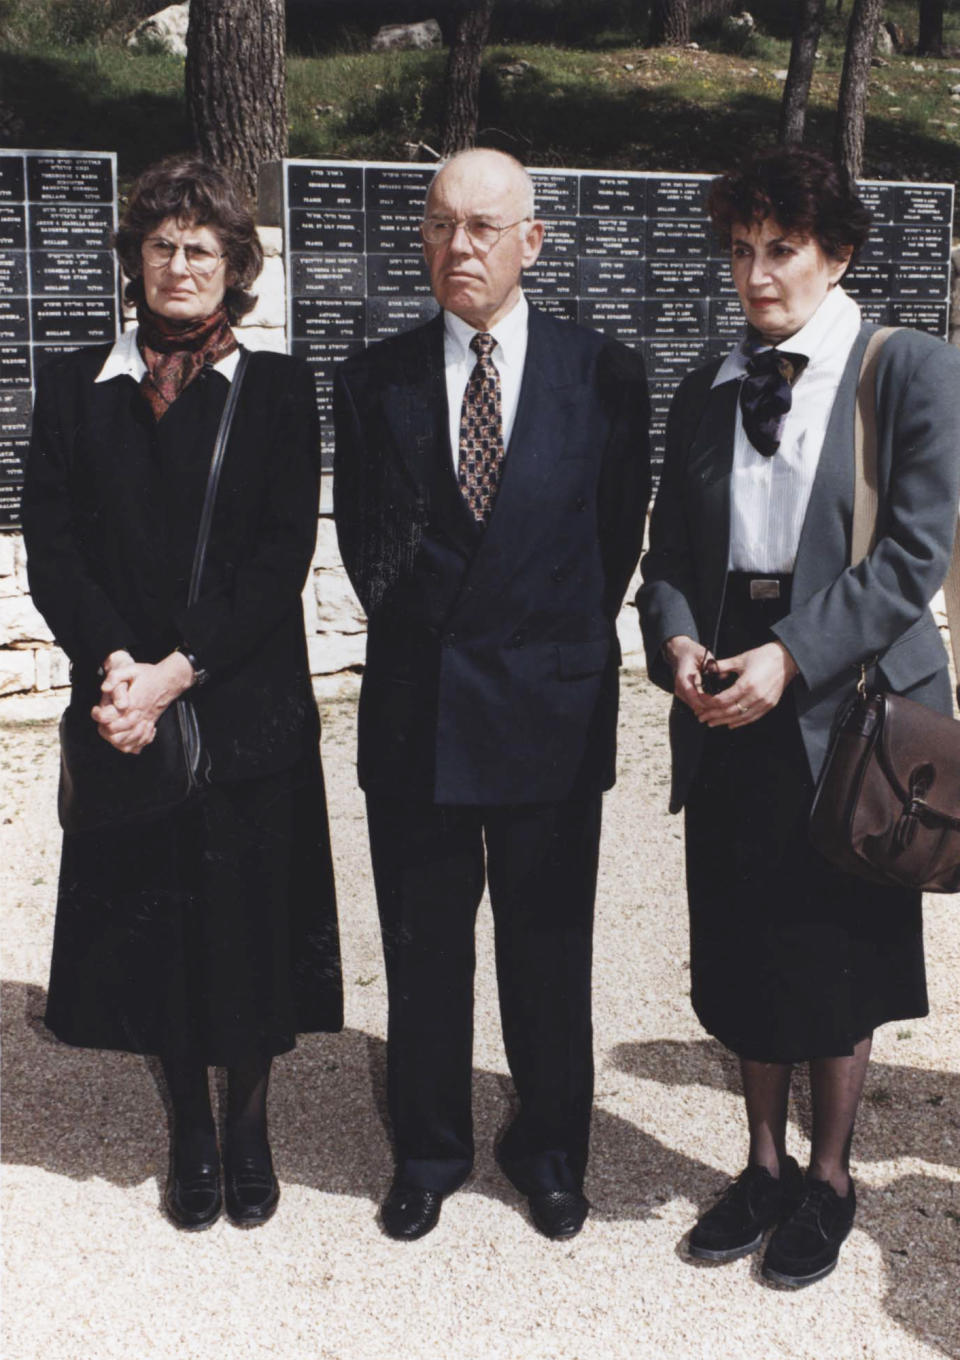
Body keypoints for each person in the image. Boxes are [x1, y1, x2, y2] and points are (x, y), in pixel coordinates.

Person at [637, 146, 960, 1287]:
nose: (758, 274)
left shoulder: (907, 370)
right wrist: (677, 641)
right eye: (740, 250)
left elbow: (913, 555)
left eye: (782, 249)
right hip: (728, 690)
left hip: (848, 702)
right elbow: (667, 556)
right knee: (741, 937)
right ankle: (762, 1163)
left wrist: (792, 655)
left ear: (839, 255)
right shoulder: (706, 386)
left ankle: (829, 1176)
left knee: (836, 949)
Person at [333, 148, 650, 1241]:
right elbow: (368, 549)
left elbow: (610, 545)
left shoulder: (604, 372)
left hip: (548, 706)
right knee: (424, 948)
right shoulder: (372, 376)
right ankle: (428, 1148)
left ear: (533, 242)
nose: (455, 248)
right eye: (436, 225)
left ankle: (551, 1148)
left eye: (480, 227)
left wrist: (536, 633)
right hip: (420, 706)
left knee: (548, 944)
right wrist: (452, 622)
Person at [22, 156, 343, 1232]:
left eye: (202, 247)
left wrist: (174, 671)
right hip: (123, 708)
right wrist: (116, 664)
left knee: (246, 921)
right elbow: (54, 550)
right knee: (158, 916)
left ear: (237, 268)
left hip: (239, 701)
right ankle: (190, 1131)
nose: (179, 263)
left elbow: (279, 554)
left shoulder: (281, 390)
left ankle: (247, 1118)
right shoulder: (73, 386)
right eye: (160, 243)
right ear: (133, 260)